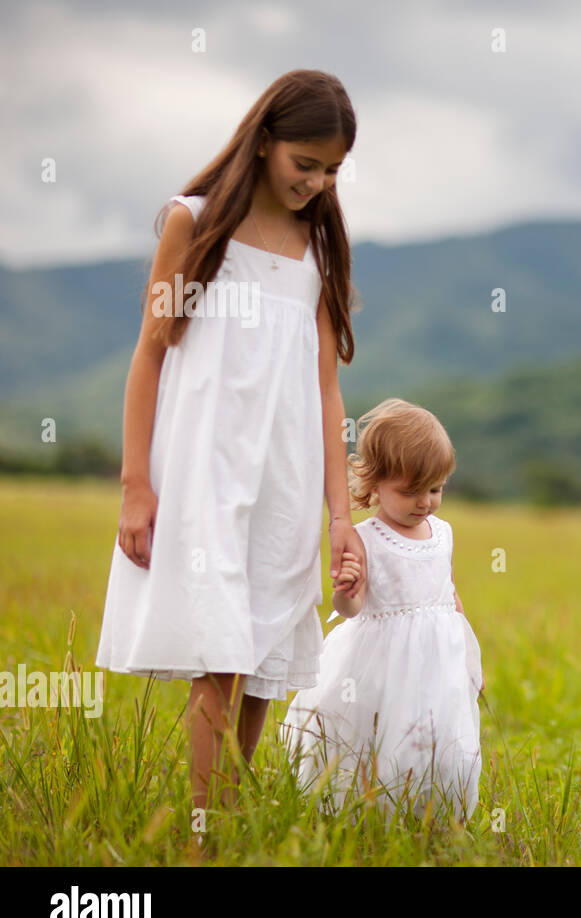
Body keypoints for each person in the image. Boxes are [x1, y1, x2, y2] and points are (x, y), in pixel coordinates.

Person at [96, 69, 366, 814]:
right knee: (217, 654)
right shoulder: (194, 221)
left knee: (264, 657)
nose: (316, 183)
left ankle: (230, 811)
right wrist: (136, 485)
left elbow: (324, 385)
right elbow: (151, 353)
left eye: (332, 171)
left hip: (285, 471)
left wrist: (341, 514)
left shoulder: (316, 242)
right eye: (303, 164)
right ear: (263, 143)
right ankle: (202, 827)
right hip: (203, 466)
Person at [280, 399, 485, 825]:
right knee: (374, 736)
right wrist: (346, 590)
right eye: (410, 491)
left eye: (435, 488)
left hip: (437, 661)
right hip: (381, 661)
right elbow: (350, 609)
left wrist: (466, 655)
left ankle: (433, 816)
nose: (425, 502)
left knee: (441, 737)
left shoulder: (443, 533)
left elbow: (449, 595)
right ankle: (370, 815)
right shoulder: (364, 538)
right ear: (374, 483)